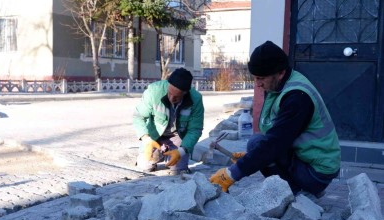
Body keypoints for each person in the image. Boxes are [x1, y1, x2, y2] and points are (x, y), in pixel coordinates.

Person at [210, 41, 341, 196]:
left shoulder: (297, 98)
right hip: (306, 160)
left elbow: (275, 143)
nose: (257, 84)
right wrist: (252, 158)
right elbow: (277, 137)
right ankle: (296, 189)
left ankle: (296, 193)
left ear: (280, 73)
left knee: (260, 145)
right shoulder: (279, 85)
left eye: (261, 78)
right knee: (257, 145)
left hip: (317, 173)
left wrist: (233, 173)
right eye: (255, 78)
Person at [133, 67, 204, 175]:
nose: (171, 98)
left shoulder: (196, 99)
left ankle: (169, 155)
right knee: (145, 166)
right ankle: (158, 154)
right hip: (155, 135)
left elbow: (195, 129)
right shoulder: (154, 91)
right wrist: (146, 139)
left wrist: (181, 151)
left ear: (185, 93)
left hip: (177, 137)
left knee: (179, 171)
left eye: (176, 96)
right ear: (168, 84)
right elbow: (138, 116)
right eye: (169, 93)